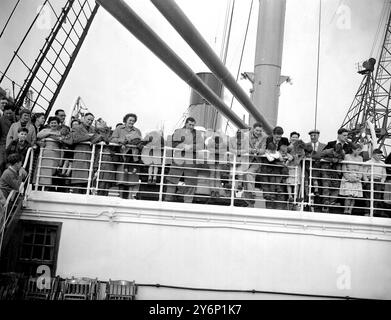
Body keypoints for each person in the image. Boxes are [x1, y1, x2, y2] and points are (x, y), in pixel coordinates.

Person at [164, 117, 204, 203]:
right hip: (178, 160)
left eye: (193, 125)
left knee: (191, 182)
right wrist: (182, 146)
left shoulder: (198, 133)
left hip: (191, 162)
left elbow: (201, 145)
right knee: (172, 180)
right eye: (190, 124)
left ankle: (188, 203)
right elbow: (172, 143)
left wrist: (191, 147)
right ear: (186, 123)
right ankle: (167, 200)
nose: (191, 126)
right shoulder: (178, 131)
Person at [318, 128, 352, 213]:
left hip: (338, 170)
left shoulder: (348, 147)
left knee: (335, 187)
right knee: (326, 185)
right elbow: (322, 155)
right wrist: (332, 159)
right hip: (327, 168)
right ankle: (325, 204)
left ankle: (331, 204)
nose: (346, 137)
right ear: (339, 135)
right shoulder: (331, 144)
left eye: (347, 135)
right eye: (344, 135)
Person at [110, 113, 142, 199]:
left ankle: (130, 197)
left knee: (132, 177)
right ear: (125, 120)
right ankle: (120, 197)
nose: (132, 122)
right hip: (122, 155)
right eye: (130, 120)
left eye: (133, 121)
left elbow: (140, 141)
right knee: (122, 177)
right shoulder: (119, 129)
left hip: (133, 156)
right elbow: (112, 139)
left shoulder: (137, 130)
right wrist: (123, 141)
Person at [235, 122, 267, 205]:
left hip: (257, 161)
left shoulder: (264, 137)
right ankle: (247, 195)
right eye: (257, 130)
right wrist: (252, 150)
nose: (258, 132)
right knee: (244, 173)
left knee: (249, 173)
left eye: (260, 131)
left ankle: (250, 194)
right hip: (246, 159)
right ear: (253, 129)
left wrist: (257, 151)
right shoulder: (246, 135)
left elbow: (263, 150)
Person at [36, 116, 62, 190]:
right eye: (52, 123)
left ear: (58, 124)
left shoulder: (60, 132)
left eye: (55, 123)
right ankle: (41, 187)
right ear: (49, 123)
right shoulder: (45, 130)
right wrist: (50, 133)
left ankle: (48, 188)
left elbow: (62, 139)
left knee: (52, 170)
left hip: (56, 153)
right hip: (46, 152)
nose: (53, 124)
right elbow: (38, 135)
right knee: (43, 170)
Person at [339, 143, 364, 214]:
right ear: (353, 150)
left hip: (357, 177)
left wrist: (359, 177)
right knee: (348, 195)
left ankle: (350, 210)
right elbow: (344, 168)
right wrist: (348, 177)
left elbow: (361, 168)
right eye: (358, 150)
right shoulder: (347, 156)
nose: (359, 152)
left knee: (354, 196)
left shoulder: (360, 158)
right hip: (348, 177)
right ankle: (345, 209)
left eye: (360, 150)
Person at [363, 148, 387, 217]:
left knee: (377, 197)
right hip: (370, 180)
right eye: (378, 155)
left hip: (378, 181)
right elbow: (364, 172)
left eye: (380, 155)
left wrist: (382, 181)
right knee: (368, 197)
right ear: (373, 155)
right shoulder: (368, 162)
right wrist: (366, 180)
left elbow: (384, 174)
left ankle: (373, 212)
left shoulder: (382, 163)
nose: (380, 157)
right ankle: (367, 212)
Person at [0, 104, 15, 173]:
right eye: (7, 113)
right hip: (3, 144)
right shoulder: (1, 121)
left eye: (10, 113)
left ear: (13, 112)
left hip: (13, 145)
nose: (8, 115)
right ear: (3, 112)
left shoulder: (16, 120)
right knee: (2, 162)